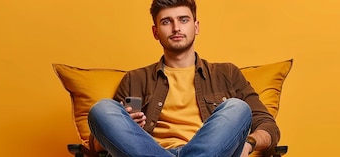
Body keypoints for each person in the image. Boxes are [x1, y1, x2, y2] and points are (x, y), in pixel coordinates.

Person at [87, 0, 280, 156]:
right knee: (101, 110)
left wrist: (249, 144)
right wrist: (127, 128)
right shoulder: (135, 79)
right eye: (166, 21)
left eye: (184, 20)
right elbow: (96, 143)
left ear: (196, 27)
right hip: (151, 151)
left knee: (238, 108)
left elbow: (268, 126)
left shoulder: (226, 73)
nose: (176, 28)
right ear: (155, 32)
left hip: (213, 152)